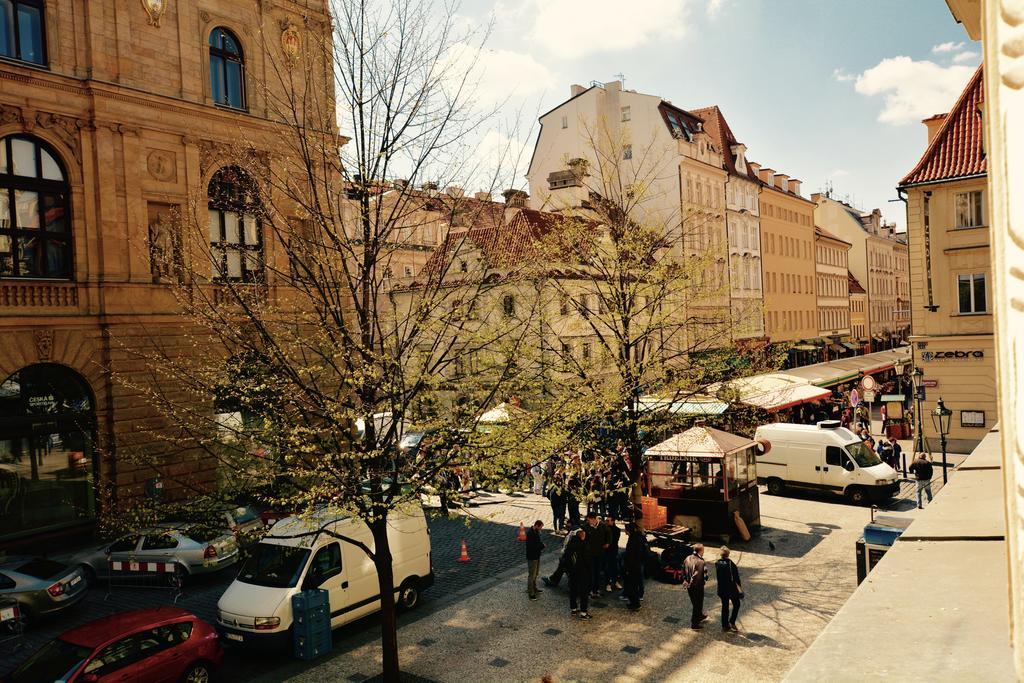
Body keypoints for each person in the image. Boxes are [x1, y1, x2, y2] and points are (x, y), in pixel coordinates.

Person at [715, 546, 743, 632]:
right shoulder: (731, 564)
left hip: (722, 589)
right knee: (737, 604)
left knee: (725, 607)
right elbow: (736, 579)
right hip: (731, 589)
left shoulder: (717, 563)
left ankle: (725, 625)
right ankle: (732, 621)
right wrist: (740, 590)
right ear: (728, 554)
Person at [566, 528, 592, 619]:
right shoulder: (584, 545)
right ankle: (583, 612)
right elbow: (587, 559)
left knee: (573, 590)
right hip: (582, 571)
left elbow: (566, 558)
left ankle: (573, 608)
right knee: (583, 592)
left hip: (572, 571)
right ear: (582, 536)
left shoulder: (570, 545)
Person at [682, 544, 709, 630]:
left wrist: (686, 580)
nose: (704, 552)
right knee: (697, 604)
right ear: (700, 551)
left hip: (689, 585)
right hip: (697, 586)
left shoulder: (687, 558)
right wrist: (705, 578)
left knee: (695, 602)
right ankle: (694, 624)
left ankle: (700, 616)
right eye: (703, 550)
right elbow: (702, 576)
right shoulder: (700, 561)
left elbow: (683, 570)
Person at [583, 513, 608, 598]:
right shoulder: (585, 527)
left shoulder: (602, 526)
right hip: (590, 554)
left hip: (600, 553)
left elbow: (609, 535)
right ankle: (590, 590)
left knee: (597, 572)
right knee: (591, 572)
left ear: (594, 519)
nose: (588, 521)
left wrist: (607, 543)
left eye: (589, 519)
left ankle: (596, 589)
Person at [622, 523, 646, 611]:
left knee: (631, 586)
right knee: (635, 585)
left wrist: (627, 568)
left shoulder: (633, 540)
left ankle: (635, 604)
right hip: (638, 565)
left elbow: (631, 556)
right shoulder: (639, 537)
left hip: (632, 567)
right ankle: (635, 602)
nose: (625, 532)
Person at [526, 520, 545, 600]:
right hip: (532, 557)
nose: (541, 529)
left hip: (536, 556)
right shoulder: (530, 534)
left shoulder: (536, 532)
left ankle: (534, 588)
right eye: (540, 527)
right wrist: (542, 546)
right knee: (532, 575)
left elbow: (537, 542)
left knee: (535, 573)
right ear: (537, 525)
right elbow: (532, 546)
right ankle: (531, 593)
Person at [603, 516, 622, 592]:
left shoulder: (616, 530)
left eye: (608, 521)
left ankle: (615, 581)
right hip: (606, 551)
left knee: (614, 566)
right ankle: (609, 583)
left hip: (613, 550)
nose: (606, 522)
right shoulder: (605, 529)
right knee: (607, 567)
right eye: (606, 520)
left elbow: (613, 540)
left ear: (613, 521)